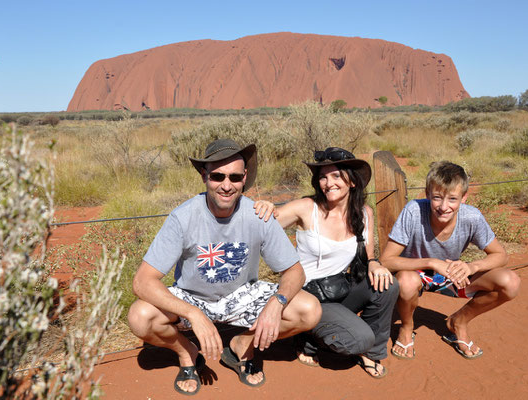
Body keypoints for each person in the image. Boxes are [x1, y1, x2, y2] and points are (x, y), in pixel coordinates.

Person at [127, 139, 321, 396]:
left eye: (235, 177)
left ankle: (244, 345)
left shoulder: (258, 215)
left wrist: (277, 303)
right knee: (140, 318)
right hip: (192, 297)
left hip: (243, 294)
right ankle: (188, 353)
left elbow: (295, 271)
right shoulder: (182, 218)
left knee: (309, 311)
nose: (227, 185)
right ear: (204, 176)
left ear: (245, 177)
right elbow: (142, 281)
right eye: (218, 176)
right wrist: (194, 314)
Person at [256, 147, 399, 379]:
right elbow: (265, 223)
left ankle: (371, 352)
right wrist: (266, 208)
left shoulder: (364, 213)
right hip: (309, 296)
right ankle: (308, 338)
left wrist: (374, 263)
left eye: (336, 176)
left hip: (340, 288)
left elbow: (368, 256)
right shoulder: (307, 208)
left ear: (352, 182)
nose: (328, 182)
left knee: (388, 284)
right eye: (323, 176)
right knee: (358, 338)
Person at [380, 161, 520, 360]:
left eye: (452, 199)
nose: (444, 207)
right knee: (407, 282)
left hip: (451, 273)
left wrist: (471, 267)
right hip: (415, 273)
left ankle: (459, 322)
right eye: (437, 198)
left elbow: (501, 255)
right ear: (427, 193)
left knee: (510, 283)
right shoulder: (413, 211)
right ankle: (407, 326)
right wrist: (432, 262)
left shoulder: (472, 217)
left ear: (464, 198)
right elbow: (386, 261)